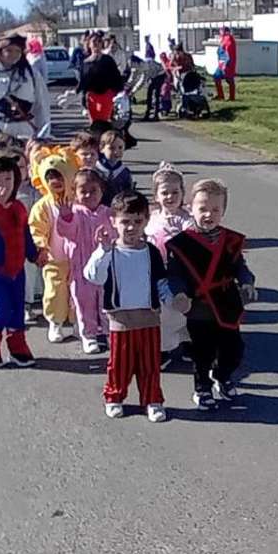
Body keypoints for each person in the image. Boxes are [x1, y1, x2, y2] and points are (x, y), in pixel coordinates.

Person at [84, 192, 176, 423]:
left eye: (137, 221)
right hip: (121, 320)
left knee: (150, 364)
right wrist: (103, 250)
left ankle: (152, 400)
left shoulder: (151, 251)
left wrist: (171, 299)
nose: (131, 227)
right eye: (125, 221)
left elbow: (161, 281)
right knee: (120, 364)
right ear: (113, 221)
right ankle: (114, 397)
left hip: (149, 318)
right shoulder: (110, 251)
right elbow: (93, 276)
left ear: (146, 221)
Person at [165, 179, 254, 409]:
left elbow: (240, 266)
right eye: (203, 208)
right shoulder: (180, 244)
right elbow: (174, 274)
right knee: (202, 352)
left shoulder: (230, 241)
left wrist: (247, 282)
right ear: (190, 208)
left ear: (223, 211)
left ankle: (221, 376)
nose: (209, 214)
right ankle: (202, 388)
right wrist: (179, 293)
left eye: (215, 209)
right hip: (199, 308)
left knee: (234, 350)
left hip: (226, 305)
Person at [0, 149, 47, 368]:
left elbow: (25, 234)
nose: (2, 185)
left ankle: (17, 345)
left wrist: (34, 255)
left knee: (16, 310)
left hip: (16, 269)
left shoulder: (18, 207)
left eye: (8, 179)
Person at [58, 169, 118, 354]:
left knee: (106, 300)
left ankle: (108, 332)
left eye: (93, 190)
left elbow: (117, 234)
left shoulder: (108, 213)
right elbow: (66, 232)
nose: (88, 195)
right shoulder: (75, 213)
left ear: (102, 190)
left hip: (105, 268)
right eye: (83, 191)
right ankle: (88, 334)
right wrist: (66, 217)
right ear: (75, 193)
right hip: (81, 268)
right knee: (84, 302)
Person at [147, 163, 194, 360]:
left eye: (175, 192)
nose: (170, 197)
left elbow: (193, 241)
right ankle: (164, 346)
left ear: (182, 194)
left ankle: (186, 342)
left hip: (180, 271)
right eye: (165, 193)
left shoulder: (187, 219)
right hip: (155, 270)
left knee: (181, 308)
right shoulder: (152, 217)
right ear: (156, 196)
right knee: (160, 310)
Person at [29, 152, 78, 343]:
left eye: (59, 176)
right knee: (54, 291)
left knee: (78, 292)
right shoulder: (43, 206)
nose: (55, 181)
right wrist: (41, 246)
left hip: (77, 258)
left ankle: (78, 322)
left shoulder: (76, 202)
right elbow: (36, 228)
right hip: (54, 259)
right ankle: (55, 322)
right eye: (50, 177)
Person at [0, 35, 52, 142]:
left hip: (24, 132)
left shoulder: (31, 74)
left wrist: (43, 135)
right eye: (9, 50)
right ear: (0, 52)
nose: (13, 54)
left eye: (17, 51)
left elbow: (42, 105)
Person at [95, 131, 134, 204]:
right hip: (98, 207)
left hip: (118, 207)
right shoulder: (95, 170)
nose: (116, 152)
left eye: (120, 147)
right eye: (111, 148)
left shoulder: (124, 172)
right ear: (101, 148)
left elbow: (129, 193)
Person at [214, 26, 238, 101]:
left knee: (229, 79)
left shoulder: (228, 39)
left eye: (221, 31)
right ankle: (220, 95)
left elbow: (229, 52)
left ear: (225, 31)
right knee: (216, 76)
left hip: (227, 63)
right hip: (221, 63)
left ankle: (231, 97)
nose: (220, 32)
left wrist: (226, 63)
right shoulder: (223, 39)